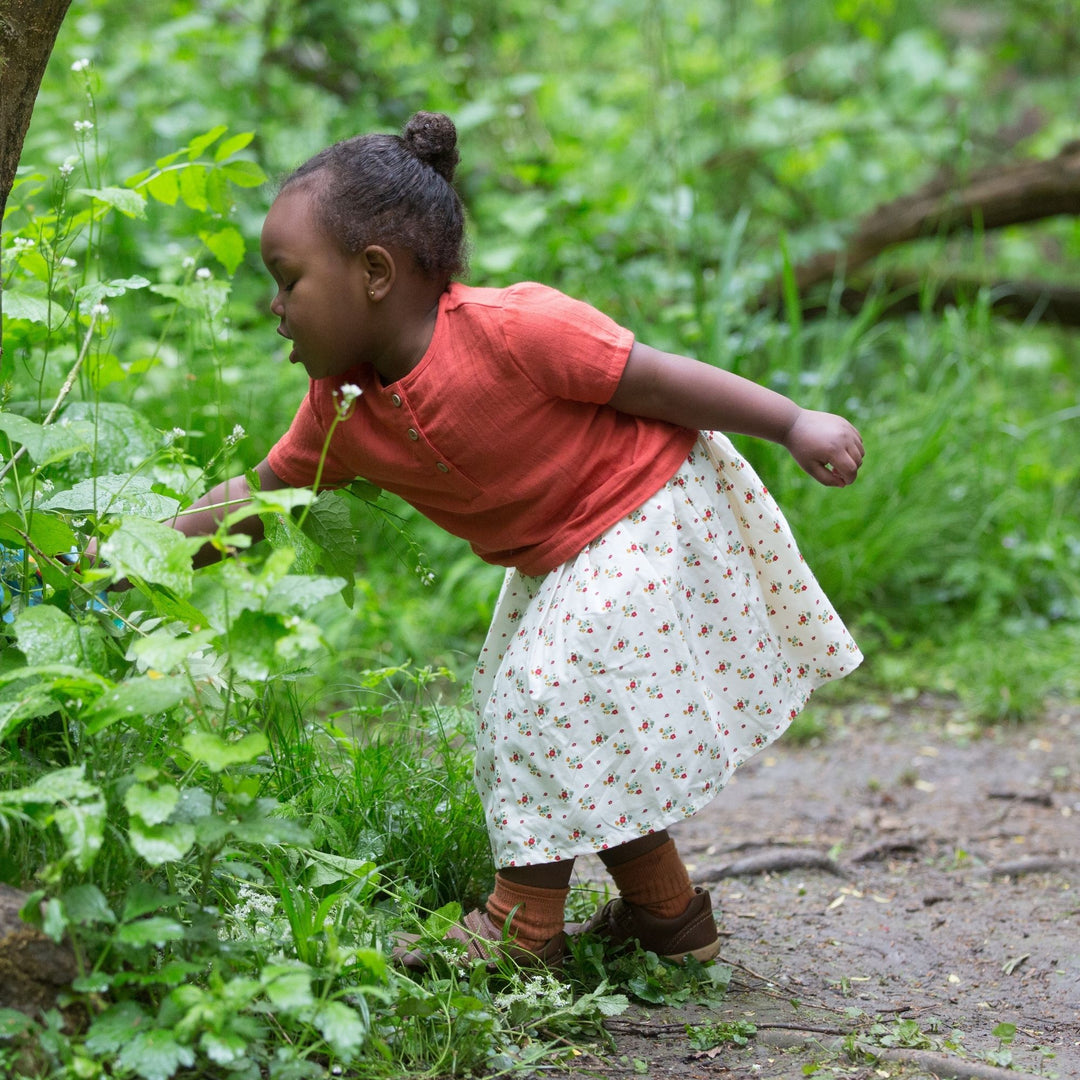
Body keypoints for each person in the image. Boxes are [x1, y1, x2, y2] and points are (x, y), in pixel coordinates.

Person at [174, 111, 864, 969]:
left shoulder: (514, 329)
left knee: (542, 695)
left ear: (375, 272)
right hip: (562, 556)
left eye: (288, 281)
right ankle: (672, 919)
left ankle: (522, 926)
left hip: (650, 510)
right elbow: (258, 498)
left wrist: (794, 422)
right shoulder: (343, 409)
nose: (275, 308)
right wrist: (128, 563)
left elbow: (658, 377)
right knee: (573, 718)